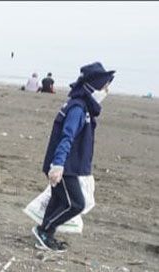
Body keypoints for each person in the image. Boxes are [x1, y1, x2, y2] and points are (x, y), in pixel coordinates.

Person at [33, 62, 115, 252]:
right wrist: (58, 164)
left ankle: (45, 236)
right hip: (64, 166)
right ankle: (44, 229)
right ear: (93, 87)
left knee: (57, 200)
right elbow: (67, 136)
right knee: (76, 203)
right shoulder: (77, 108)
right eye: (104, 87)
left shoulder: (83, 107)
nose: (106, 91)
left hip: (68, 165)